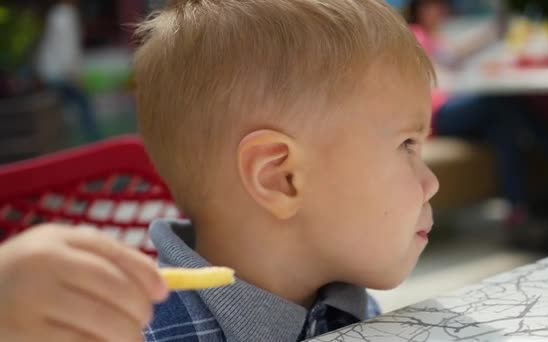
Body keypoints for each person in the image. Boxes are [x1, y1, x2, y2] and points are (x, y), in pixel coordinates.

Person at [0, 1, 439, 341]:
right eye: (407, 145)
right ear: (280, 178)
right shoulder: (123, 330)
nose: (431, 181)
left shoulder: (346, 307)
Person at [405, 0, 548, 227]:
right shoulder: (415, 35)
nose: (441, 12)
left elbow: (456, 58)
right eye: (433, 6)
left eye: (442, 6)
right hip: (438, 114)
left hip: (449, 108)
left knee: (502, 128)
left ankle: (517, 208)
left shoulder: (435, 38)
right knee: (499, 102)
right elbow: (440, 70)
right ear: (420, 10)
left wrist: (492, 37)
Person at [35, 0, 101, 141]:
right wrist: (75, 76)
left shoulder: (57, 13)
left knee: (62, 110)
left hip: (51, 72)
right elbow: (66, 50)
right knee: (83, 106)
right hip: (60, 73)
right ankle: (95, 142)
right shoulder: (66, 16)